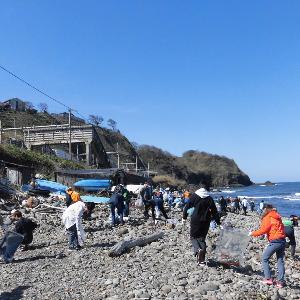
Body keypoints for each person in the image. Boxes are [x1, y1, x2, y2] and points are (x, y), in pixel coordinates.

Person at [250, 204, 286, 288]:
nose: (262, 210)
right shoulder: (277, 216)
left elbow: (263, 230)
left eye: (263, 209)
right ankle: (280, 282)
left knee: (264, 258)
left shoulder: (268, 217)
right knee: (280, 260)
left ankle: (268, 279)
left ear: (266, 209)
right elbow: (282, 228)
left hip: (275, 241)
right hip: (282, 240)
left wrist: (252, 233)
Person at [182, 188, 220, 265]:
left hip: (196, 219)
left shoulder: (194, 196)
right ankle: (201, 260)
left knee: (193, 237)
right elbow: (215, 211)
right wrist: (218, 222)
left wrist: (184, 217)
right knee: (202, 238)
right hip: (206, 220)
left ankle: (198, 249)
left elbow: (187, 207)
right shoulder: (209, 198)